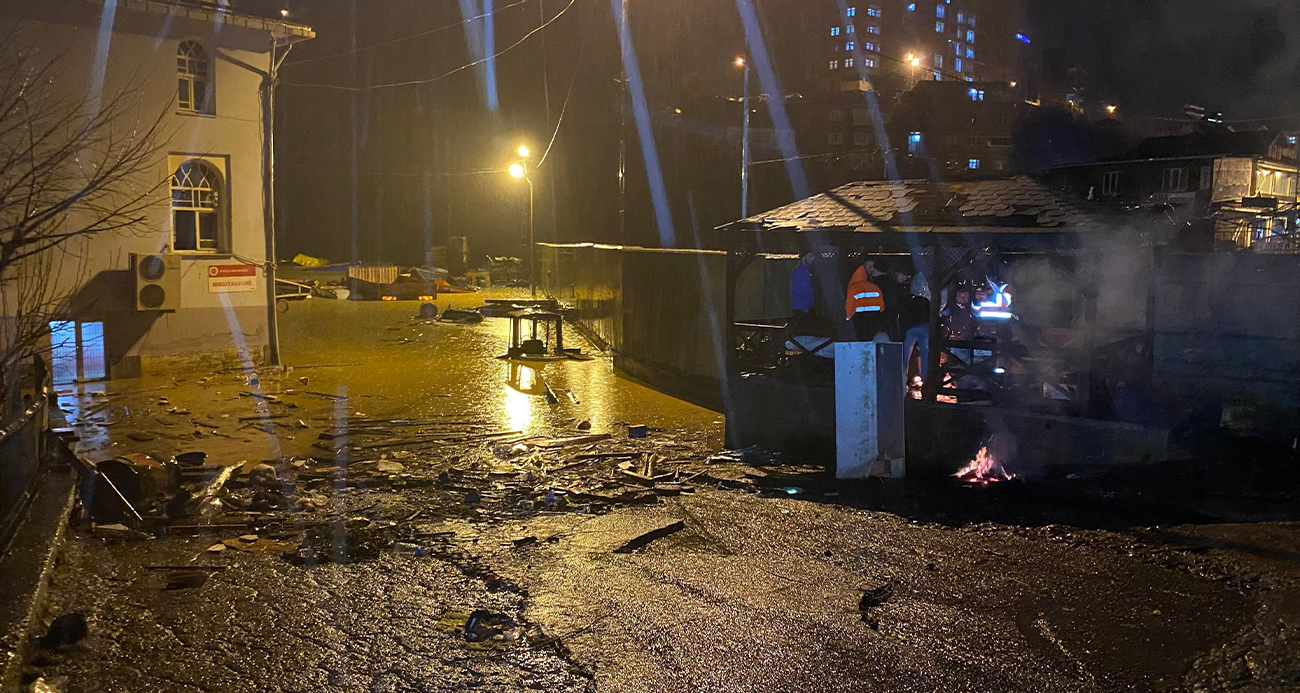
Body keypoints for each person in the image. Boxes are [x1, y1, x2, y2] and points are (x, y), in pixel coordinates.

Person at [845, 258, 889, 341]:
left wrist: (847, 322)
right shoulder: (875, 287)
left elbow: (849, 309)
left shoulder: (852, 288)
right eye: (870, 267)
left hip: (859, 323)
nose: (872, 269)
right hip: (875, 323)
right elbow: (882, 307)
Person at [899, 272, 931, 379]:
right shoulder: (926, 300)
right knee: (925, 351)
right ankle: (926, 379)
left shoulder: (907, 298)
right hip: (923, 324)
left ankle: (902, 379)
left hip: (910, 326)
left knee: (905, 353)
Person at [789, 252, 816, 331]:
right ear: (804, 257)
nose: (813, 258)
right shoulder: (801, 272)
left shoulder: (805, 271)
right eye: (810, 256)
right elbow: (804, 290)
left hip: (804, 309)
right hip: (803, 309)